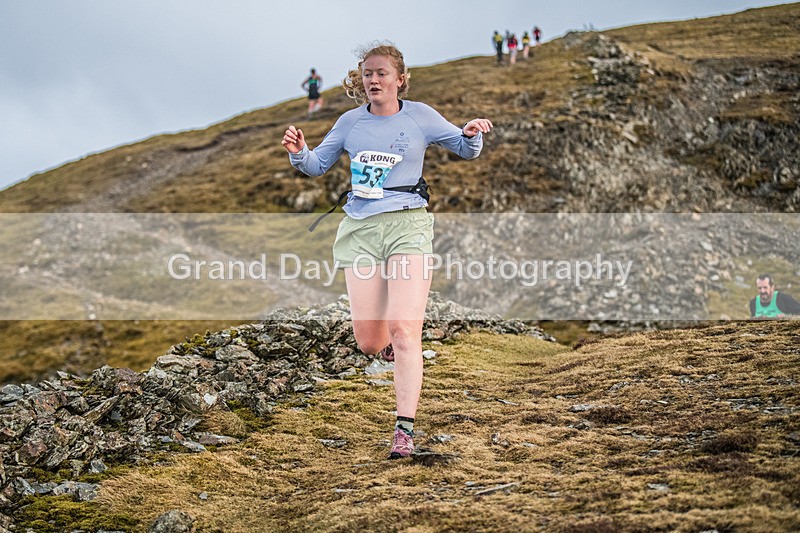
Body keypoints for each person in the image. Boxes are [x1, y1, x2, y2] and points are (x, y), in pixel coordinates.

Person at [281, 43, 492, 459]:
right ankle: (395, 345)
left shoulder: (421, 115)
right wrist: (298, 153)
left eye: (381, 73)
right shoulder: (349, 123)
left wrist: (471, 134)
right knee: (370, 342)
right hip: (360, 229)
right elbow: (316, 165)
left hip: (407, 224)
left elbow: (465, 149)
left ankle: (404, 432)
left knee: (403, 328)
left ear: (399, 78)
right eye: (367, 74)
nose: (373, 80)